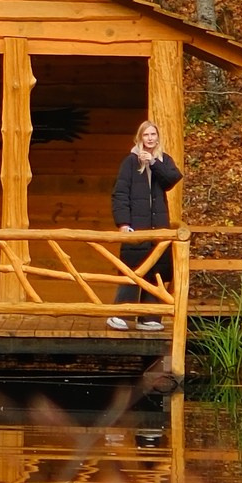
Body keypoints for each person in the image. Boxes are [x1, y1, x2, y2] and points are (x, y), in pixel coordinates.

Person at [110, 113, 181, 325]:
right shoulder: (130, 162)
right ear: (139, 138)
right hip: (136, 228)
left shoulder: (163, 160)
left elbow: (172, 179)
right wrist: (123, 223)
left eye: (153, 135)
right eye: (146, 135)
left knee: (156, 271)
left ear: (157, 138)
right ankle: (120, 315)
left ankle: (150, 317)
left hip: (157, 227)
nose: (150, 138)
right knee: (132, 271)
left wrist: (154, 164)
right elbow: (119, 194)